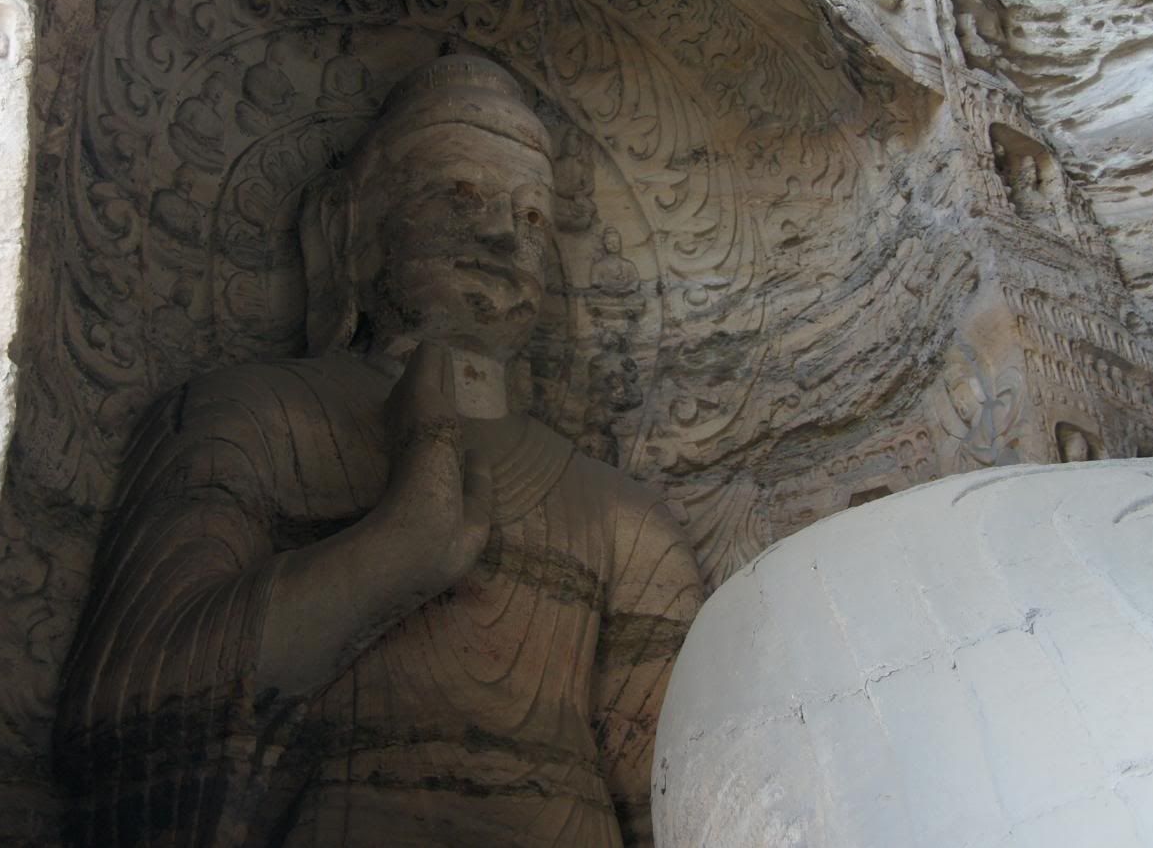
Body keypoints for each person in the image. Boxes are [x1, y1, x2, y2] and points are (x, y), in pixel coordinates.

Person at [58, 56, 704, 847]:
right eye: (459, 194)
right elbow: (126, 699)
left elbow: (678, 797)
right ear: (351, 227)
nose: (503, 234)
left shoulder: (626, 520)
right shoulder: (251, 418)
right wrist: (394, 551)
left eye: (533, 216)